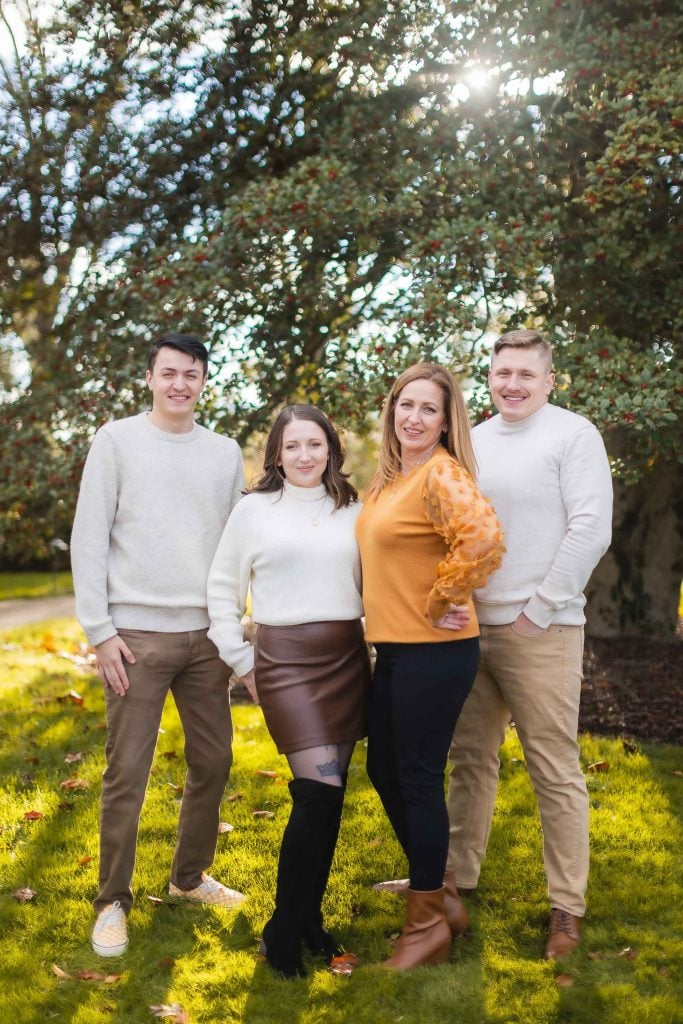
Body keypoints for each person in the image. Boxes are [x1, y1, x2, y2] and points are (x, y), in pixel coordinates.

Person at [71, 333, 246, 958]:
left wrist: (231, 627)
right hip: (136, 638)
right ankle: (111, 901)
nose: (180, 384)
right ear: (149, 377)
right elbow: (88, 538)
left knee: (215, 762)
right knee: (128, 772)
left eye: (191, 374)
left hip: (206, 638)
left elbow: (235, 545)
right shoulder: (116, 441)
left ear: (203, 381)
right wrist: (101, 631)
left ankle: (188, 879)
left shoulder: (224, 454)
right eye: (169, 373)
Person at [445, 329, 613, 959]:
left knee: (554, 768)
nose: (511, 384)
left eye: (525, 374)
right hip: (469, 627)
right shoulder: (473, 441)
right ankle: (456, 884)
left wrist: (540, 609)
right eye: (502, 372)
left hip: (541, 628)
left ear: (549, 380)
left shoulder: (573, 435)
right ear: (488, 377)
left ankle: (566, 910)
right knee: (470, 760)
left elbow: (591, 527)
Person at [207, 404, 371, 979]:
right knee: (317, 795)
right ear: (276, 453)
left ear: (332, 450)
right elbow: (221, 589)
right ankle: (282, 930)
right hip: (286, 663)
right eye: (293, 445)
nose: (305, 455)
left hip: (346, 658)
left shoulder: (354, 508)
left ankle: (307, 920)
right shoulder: (254, 511)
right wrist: (241, 659)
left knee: (329, 800)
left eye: (316, 445)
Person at [355, 362, 505, 970]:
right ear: (392, 411)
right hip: (394, 648)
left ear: (446, 421)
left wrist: (445, 595)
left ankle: (425, 929)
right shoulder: (394, 477)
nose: (413, 418)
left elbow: (484, 539)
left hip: (436, 652)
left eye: (428, 409)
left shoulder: (441, 473)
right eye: (405, 405)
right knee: (385, 767)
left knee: (414, 775)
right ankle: (438, 893)